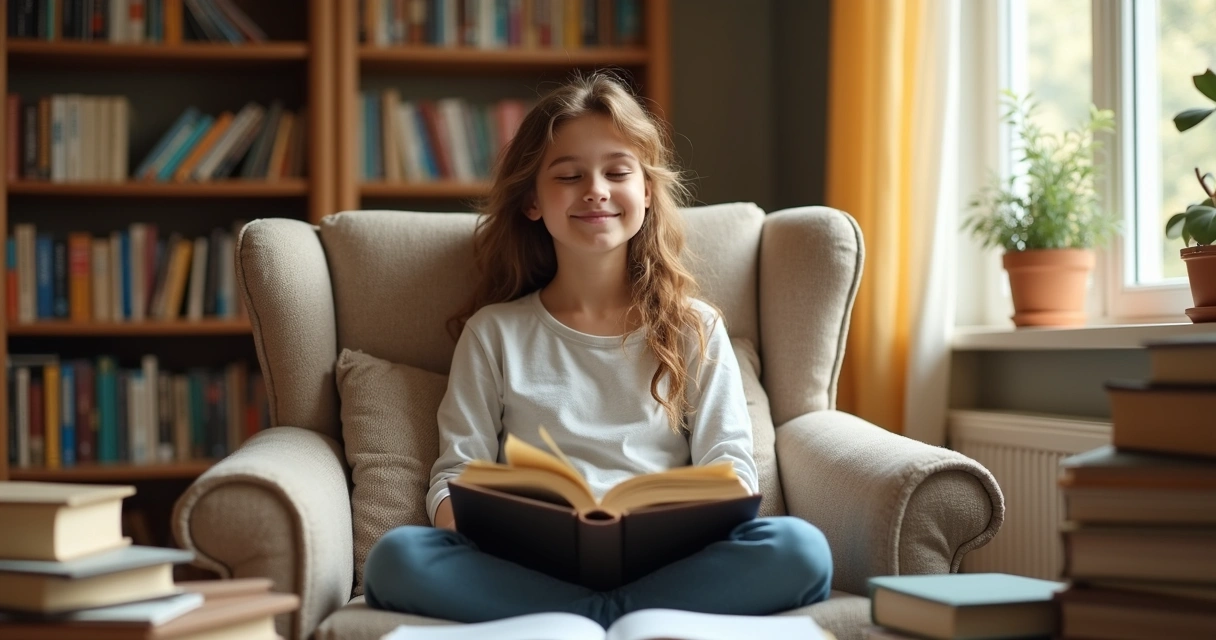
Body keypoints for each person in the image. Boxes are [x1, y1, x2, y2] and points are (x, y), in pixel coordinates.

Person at [362, 71, 832, 628]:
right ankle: (611, 617)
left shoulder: (695, 327)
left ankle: (592, 618)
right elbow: (456, 472)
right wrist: (466, 520)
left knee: (801, 549)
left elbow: (730, 466)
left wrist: (689, 517)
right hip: (527, 564)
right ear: (533, 202)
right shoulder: (494, 333)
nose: (596, 190)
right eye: (568, 175)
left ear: (647, 192)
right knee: (395, 560)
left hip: (672, 561)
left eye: (617, 171)